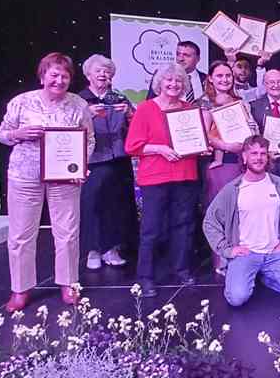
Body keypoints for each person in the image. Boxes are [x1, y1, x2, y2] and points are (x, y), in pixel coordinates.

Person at [0, 52, 96, 311]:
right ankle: (20, 289)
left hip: (65, 177)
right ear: (43, 76)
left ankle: (68, 284)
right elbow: (2, 134)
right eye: (54, 74)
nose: (60, 80)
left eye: (65, 76)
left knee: (67, 232)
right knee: (20, 235)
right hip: (24, 175)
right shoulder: (21, 102)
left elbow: (88, 140)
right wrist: (18, 134)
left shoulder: (78, 105)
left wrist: (81, 166)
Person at [125, 63, 203, 297]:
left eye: (178, 81)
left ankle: (181, 269)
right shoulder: (146, 109)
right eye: (169, 80)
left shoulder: (189, 109)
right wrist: (160, 148)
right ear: (159, 83)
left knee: (184, 225)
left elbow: (195, 141)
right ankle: (146, 277)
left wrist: (202, 146)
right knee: (151, 229)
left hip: (185, 174)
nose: (173, 84)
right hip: (155, 177)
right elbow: (132, 146)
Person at [203, 136, 280, 306]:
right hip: (245, 254)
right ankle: (245, 274)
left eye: (263, 153)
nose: (258, 158)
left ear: (267, 157)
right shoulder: (232, 190)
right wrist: (228, 250)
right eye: (254, 153)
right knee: (237, 298)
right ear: (244, 157)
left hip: (275, 252)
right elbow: (210, 222)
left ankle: (263, 277)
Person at [197, 61, 260, 273]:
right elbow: (202, 136)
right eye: (220, 76)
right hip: (219, 164)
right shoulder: (204, 103)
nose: (225, 80)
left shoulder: (240, 102)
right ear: (211, 78)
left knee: (239, 212)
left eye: (228, 76)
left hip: (240, 163)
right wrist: (224, 145)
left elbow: (252, 127)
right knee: (219, 212)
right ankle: (220, 260)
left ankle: (238, 256)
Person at [77, 54, 136, 270]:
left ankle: (112, 248)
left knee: (116, 203)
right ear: (88, 74)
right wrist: (87, 116)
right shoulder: (78, 100)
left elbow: (137, 127)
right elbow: (65, 131)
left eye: (107, 71)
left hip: (119, 157)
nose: (103, 74)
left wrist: (130, 113)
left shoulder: (119, 98)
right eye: (99, 71)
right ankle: (93, 250)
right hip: (92, 159)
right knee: (91, 204)